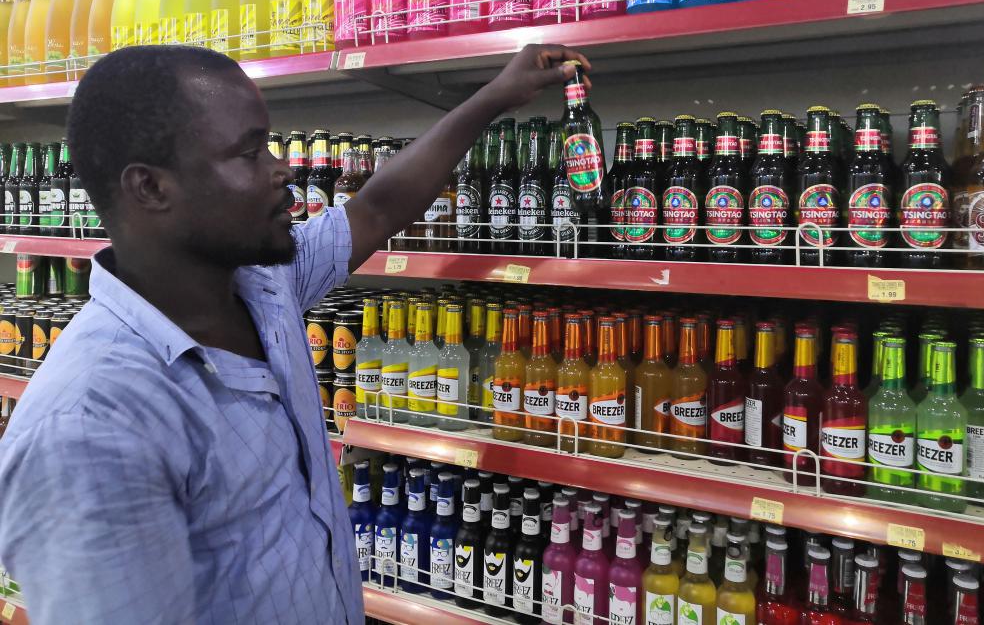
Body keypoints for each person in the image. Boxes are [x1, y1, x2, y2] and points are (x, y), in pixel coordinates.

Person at [0, 43, 591, 625]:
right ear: (151, 188)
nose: (283, 169)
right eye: (250, 152)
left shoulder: (263, 285)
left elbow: (377, 209)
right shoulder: (89, 427)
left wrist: (494, 97)